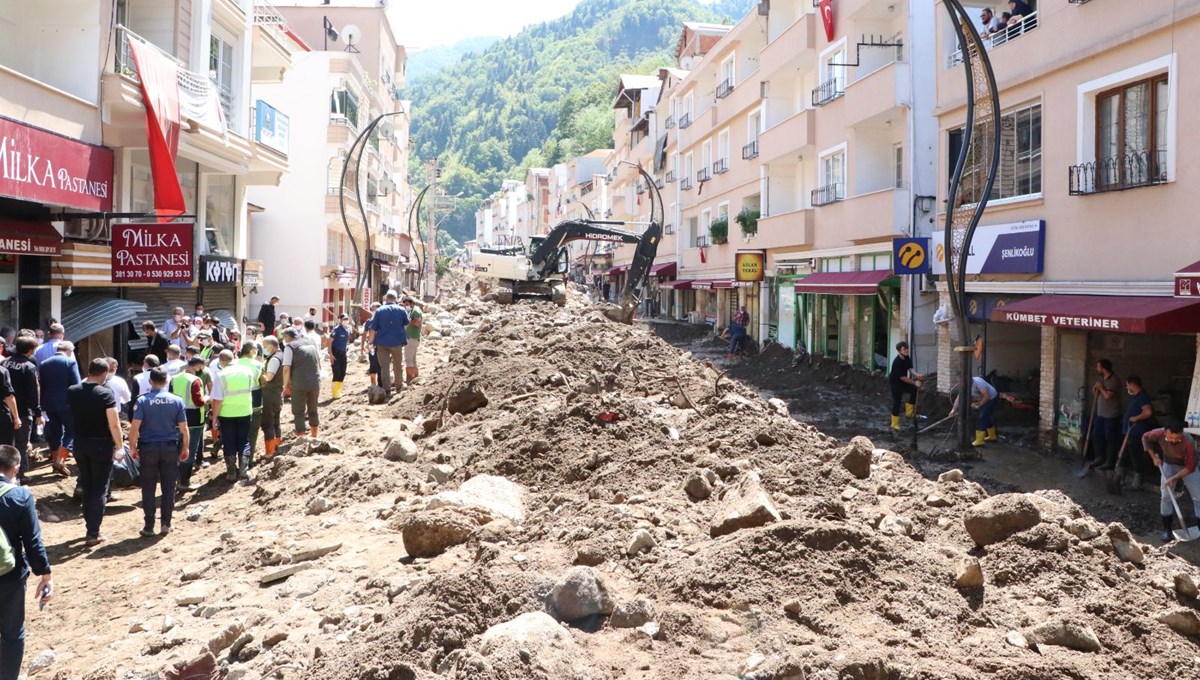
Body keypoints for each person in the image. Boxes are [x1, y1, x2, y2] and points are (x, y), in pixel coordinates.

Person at [0, 445, 53, 678]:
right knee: (12, 632)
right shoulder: (19, 496)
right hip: (9, 575)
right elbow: (33, 542)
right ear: (16, 468)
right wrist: (45, 574)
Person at [66, 358, 124, 545]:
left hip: (80, 443)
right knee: (100, 488)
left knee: (88, 484)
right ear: (104, 373)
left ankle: (89, 524)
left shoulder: (73, 391)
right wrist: (120, 445)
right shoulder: (105, 394)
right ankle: (93, 531)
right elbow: (114, 424)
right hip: (101, 444)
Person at [129, 368, 188, 536]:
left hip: (148, 448)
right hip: (170, 447)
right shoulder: (176, 400)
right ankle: (166, 524)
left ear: (150, 382)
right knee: (169, 487)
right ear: (167, 380)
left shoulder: (142, 401)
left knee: (148, 487)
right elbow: (184, 429)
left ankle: (149, 526)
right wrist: (185, 447)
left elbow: (134, 428)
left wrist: (132, 447)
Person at [1143, 422, 1198, 542]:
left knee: (1198, 496)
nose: (1173, 440)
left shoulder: (1188, 442)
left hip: (1187, 467)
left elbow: (1190, 467)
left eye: (1177, 438)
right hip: (1168, 464)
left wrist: (1173, 479)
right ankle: (1167, 530)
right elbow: (1145, 437)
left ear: (1182, 434)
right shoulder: (1158, 433)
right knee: (1166, 497)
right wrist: (1154, 457)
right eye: (1171, 438)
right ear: (1165, 433)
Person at [209, 350, 256, 482]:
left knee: (229, 441)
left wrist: (214, 417)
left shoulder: (220, 375)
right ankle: (244, 471)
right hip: (245, 411)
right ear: (234, 358)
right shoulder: (247, 371)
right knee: (244, 440)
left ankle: (231, 473)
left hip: (227, 414)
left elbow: (217, 400)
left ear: (221, 361)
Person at [38, 341, 80, 477]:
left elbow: (41, 384)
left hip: (48, 403)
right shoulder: (70, 363)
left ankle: (55, 459)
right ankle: (60, 460)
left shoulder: (44, 364)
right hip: (67, 404)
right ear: (70, 351)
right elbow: (76, 385)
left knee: (55, 432)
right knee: (71, 431)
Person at [3, 338, 39, 484]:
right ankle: (20, 474)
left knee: (6, 443)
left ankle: (6, 472)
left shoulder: (5, 362)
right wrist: (37, 410)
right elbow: (33, 392)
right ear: (30, 350)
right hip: (22, 411)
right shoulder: (29, 367)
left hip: (5, 410)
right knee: (21, 444)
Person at [171, 358, 208, 491]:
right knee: (189, 450)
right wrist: (207, 399)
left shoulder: (173, 378)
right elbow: (198, 401)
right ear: (197, 366)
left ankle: (174, 480)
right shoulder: (195, 380)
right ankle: (184, 482)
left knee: (177, 449)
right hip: (194, 419)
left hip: (175, 417)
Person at [1113, 375, 1156, 482]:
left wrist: (1136, 418)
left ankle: (1137, 482)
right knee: (1125, 454)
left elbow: (1148, 412)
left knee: (1136, 456)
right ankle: (1119, 478)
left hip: (1137, 432)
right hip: (1131, 432)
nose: (1127, 388)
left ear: (1132, 385)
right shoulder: (1137, 397)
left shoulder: (1142, 397)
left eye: (1127, 385)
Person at [281, 328, 321, 440]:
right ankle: (314, 437)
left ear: (288, 337)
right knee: (313, 410)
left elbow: (286, 369)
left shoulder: (290, 347)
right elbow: (318, 361)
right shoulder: (311, 342)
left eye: (284, 337)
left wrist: (285, 386)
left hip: (299, 383)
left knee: (298, 412)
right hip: (315, 381)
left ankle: (301, 439)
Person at [367, 291, 409, 396]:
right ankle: (399, 387)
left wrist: (370, 342)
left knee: (384, 367)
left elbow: (373, 328)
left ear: (386, 299)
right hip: (397, 342)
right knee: (397, 365)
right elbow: (407, 323)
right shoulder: (401, 309)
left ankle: (387, 390)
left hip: (382, 343)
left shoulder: (379, 311)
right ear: (396, 299)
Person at [235, 343, 264, 467]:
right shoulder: (259, 365)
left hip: (236, 400)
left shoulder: (235, 364)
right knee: (252, 432)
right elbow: (263, 382)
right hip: (255, 399)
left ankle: (238, 459)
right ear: (252, 351)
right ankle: (247, 460)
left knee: (238, 431)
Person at [950, 375, 998, 447]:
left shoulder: (978, 383)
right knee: (986, 416)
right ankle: (992, 436)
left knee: (982, 417)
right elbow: (959, 397)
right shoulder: (964, 385)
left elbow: (987, 397)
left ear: (967, 380)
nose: (959, 383)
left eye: (960, 381)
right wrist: (953, 410)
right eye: (958, 381)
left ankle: (980, 441)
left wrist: (979, 405)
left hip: (992, 398)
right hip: (981, 398)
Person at [1091, 359, 1121, 469]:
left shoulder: (1114, 380)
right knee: (1097, 436)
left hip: (1111, 415)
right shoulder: (1101, 379)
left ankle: (1109, 462)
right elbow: (1096, 394)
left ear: (1103, 368)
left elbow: (1108, 396)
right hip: (1100, 414)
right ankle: (1099, 458)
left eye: (1098, 367)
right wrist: (1095, 388)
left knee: (1110, 439)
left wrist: (1101, 388)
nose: (1096, 369)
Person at [888, 341, 924, 431]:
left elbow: (910, 369)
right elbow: (903, 377)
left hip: (902, 380)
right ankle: (894, 423)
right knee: (897, 401)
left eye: (907, 348)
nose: (906, 350)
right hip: (895, 382)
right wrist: (914, 382)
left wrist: (917, 375)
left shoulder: (907, 357)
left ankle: (909, 413)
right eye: (904, 349)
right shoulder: (897, 362)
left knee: (913, 390)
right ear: (899, 350)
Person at [260, 337, 285, 459]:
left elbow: (269, 377)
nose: (264, 348)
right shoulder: (282, 355)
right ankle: (277, 448)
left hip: (270, 395)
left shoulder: (274, 359)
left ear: (271, 345)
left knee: (268, 424)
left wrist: (260, 376)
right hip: (277, 393)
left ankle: (269, 452)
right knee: (276, 423)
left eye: (265, 346)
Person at [328, 314, 351, 399]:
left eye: (347, 319)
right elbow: (329, 342)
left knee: (343, 373)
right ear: (340, 320)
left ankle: (338, 391)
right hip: (335, 354)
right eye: (344, 319)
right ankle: (334, 393)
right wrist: (331, 354)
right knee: (337, 373)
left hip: (343, 353)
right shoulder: (336, 330)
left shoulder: (348, 328)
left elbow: (347, 339)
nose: (346, 320)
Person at [402, 297, 423, 386]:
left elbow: (417, 322)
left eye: (407, 304)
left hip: (412, 338)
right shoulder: (412, 311)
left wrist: (407, 320)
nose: (406, 306)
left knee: (408, 360)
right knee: (413, 360)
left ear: (412, 303)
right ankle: (416, 379)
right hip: (412, 338)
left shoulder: (416, 311)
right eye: (405, 304)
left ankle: (410, 380)